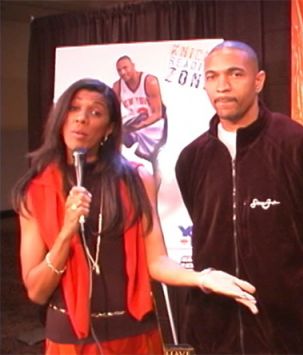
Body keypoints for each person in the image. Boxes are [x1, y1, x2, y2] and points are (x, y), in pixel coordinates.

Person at [12, 78, 258, 354]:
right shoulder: (35, 191)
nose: (81, 118)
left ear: (109, 128)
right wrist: (66, 231)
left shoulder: (137, 179)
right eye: (73, 108)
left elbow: (156, 260)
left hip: (135, 333)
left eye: (95, 112)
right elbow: (36, 291)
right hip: (70, 338)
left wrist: (202, 278)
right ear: (60, 117)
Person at [175, 40, 303, 354]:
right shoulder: (191, 158)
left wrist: (294, 292)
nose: (222, 86)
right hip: (215, 332)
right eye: (212, 76)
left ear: (259, 81)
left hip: (289, 335)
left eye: (235, 74)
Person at [112, 55, 167, 191]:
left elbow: (157, 113)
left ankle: (154, 192)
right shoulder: (117, 87)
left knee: (153, 161)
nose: (123, 72)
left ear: (133, 66)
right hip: (135, 123)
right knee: (115, 147)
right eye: (119, 70)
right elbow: (114, 113)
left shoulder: (149, 81)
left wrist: (139, 126)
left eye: (125, 68)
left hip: (153, 125)